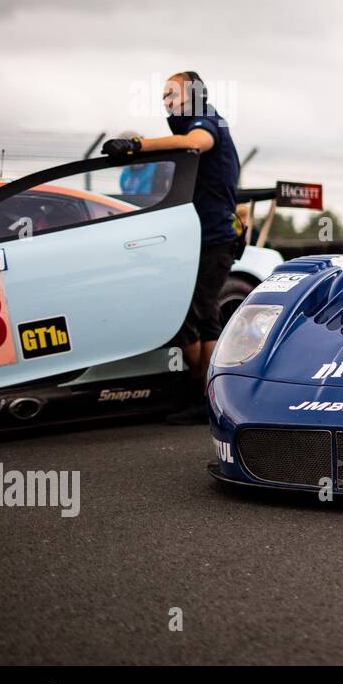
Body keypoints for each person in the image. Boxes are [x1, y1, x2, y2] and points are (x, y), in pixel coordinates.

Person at [101, 71, 241, 425]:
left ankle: (196, 392)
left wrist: (137, 145)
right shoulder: (188, 132)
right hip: (198, 239)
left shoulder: (207, 123)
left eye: (172, 94)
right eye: (162, 96)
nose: (166, 101)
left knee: (186, 318)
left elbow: (197, 141)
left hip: (213, 240)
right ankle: (206, 397)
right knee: (206, 319)